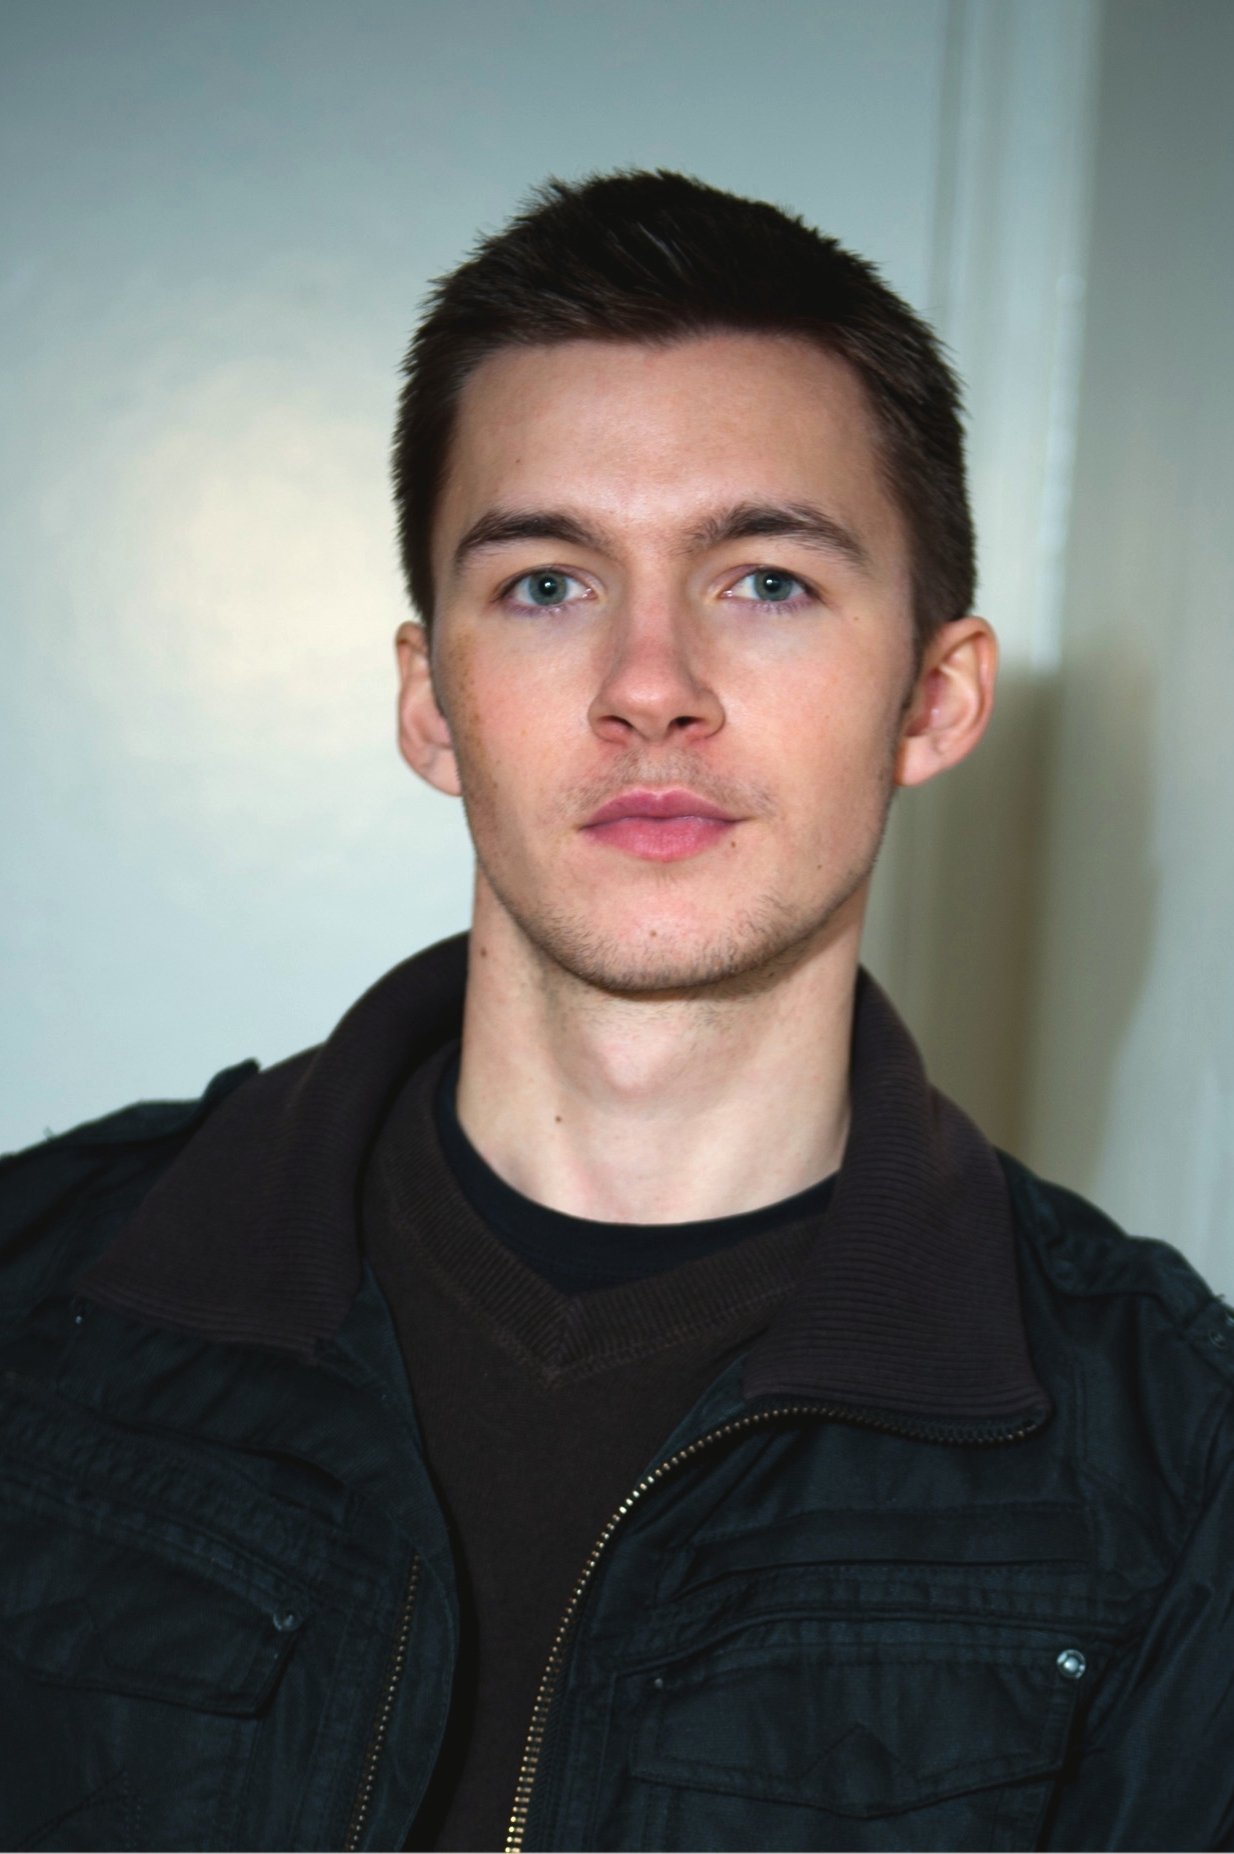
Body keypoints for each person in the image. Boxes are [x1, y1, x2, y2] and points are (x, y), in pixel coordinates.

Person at [1, 168, 1231, 1854]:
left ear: (933, 699)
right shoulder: (38, 1299)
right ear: (431, 702)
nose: (650, 686)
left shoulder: (1175, 1461)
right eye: (547, 584)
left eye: (765, 580)